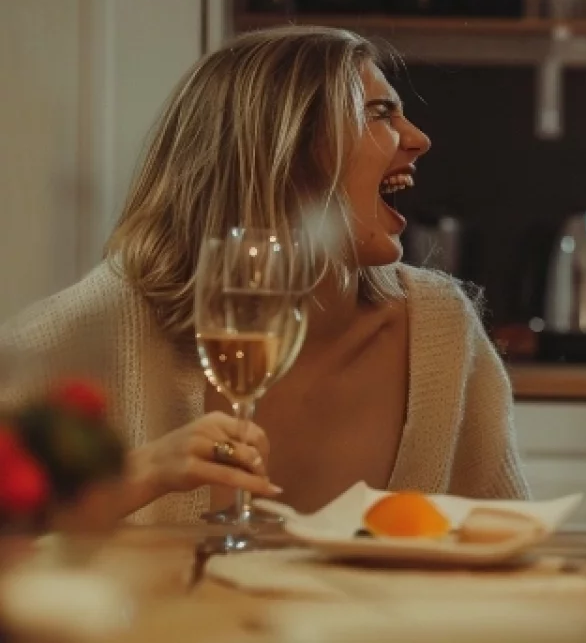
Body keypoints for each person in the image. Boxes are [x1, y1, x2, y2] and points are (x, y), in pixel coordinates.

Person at [0, 26, 530, 523]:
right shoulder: (86, 333)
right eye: (379, 113)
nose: (418, 139)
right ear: (280, 152)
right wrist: (135, 476)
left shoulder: (440, 332)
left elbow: (508, 545)